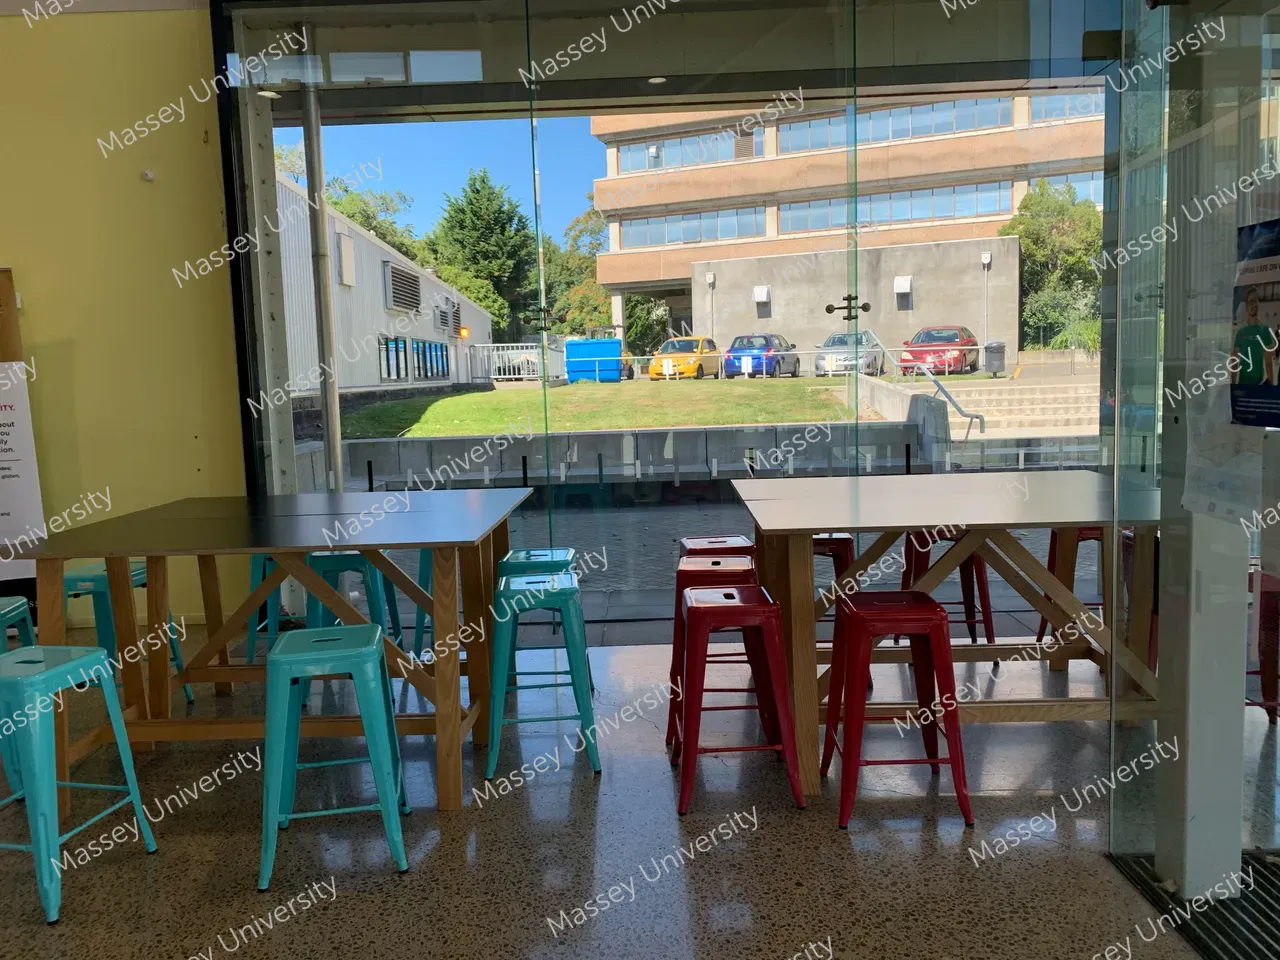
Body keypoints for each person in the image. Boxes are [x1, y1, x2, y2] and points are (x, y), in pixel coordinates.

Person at [1232, 286, 1277, 385]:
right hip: (1243, 386)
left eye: (1256, 301)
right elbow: (1235, 362)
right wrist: (1233, 386)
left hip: (1258, 386)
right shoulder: (1241, 332)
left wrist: (1271, 388)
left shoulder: (1264, 330)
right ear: (1246, 307)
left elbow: (1268, 363)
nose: (1254, 304)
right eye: (1251, 302)